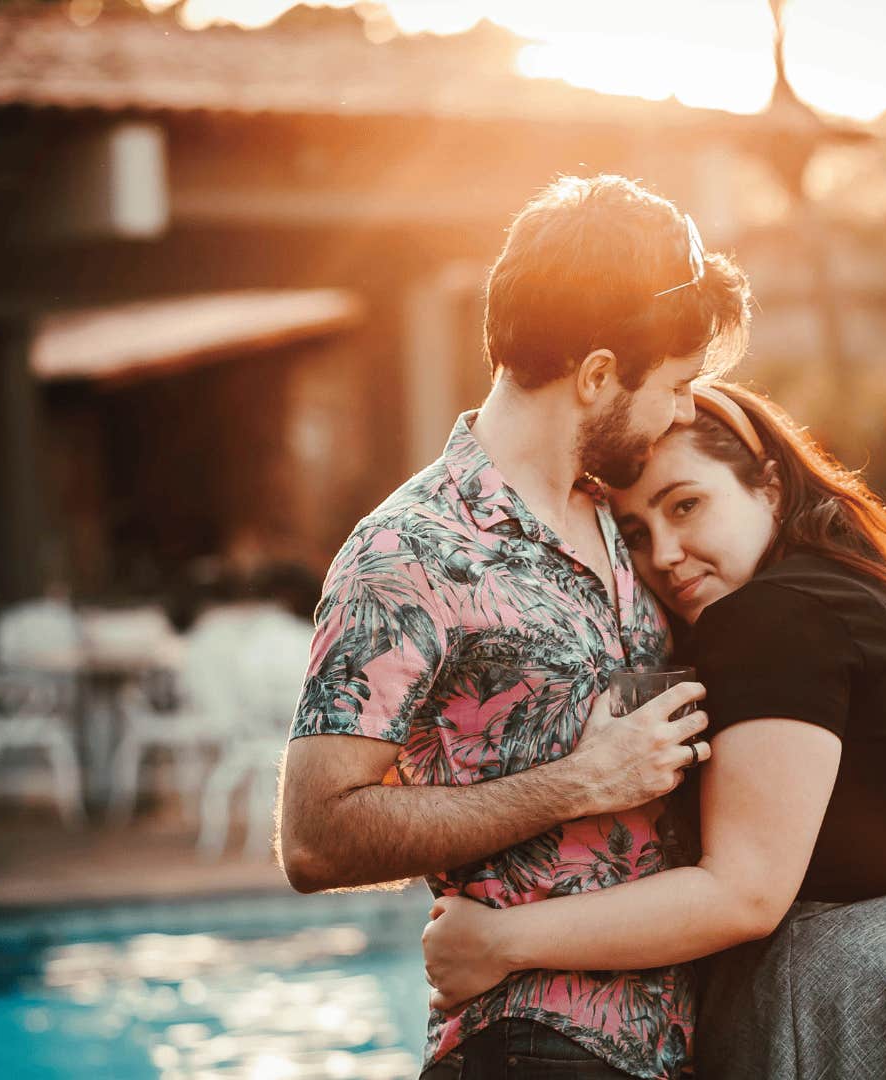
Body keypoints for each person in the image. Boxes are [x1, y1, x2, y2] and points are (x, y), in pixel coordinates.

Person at [420, 382, 886, 1079]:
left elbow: (743, 893)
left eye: (685, 506)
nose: (664, 554)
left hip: (842, 1009)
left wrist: (498, 942)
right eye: (635, 533)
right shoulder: (869, 600)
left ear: (771, 490)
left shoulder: (772, 616)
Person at [276, 174, 754, 1080]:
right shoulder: (408, 552)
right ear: (599, 375)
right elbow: (314, 836)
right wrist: (577, 783)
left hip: (687, 1047)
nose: (686, 411)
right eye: (678, 385)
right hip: (530, 1050)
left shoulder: (631, 518)